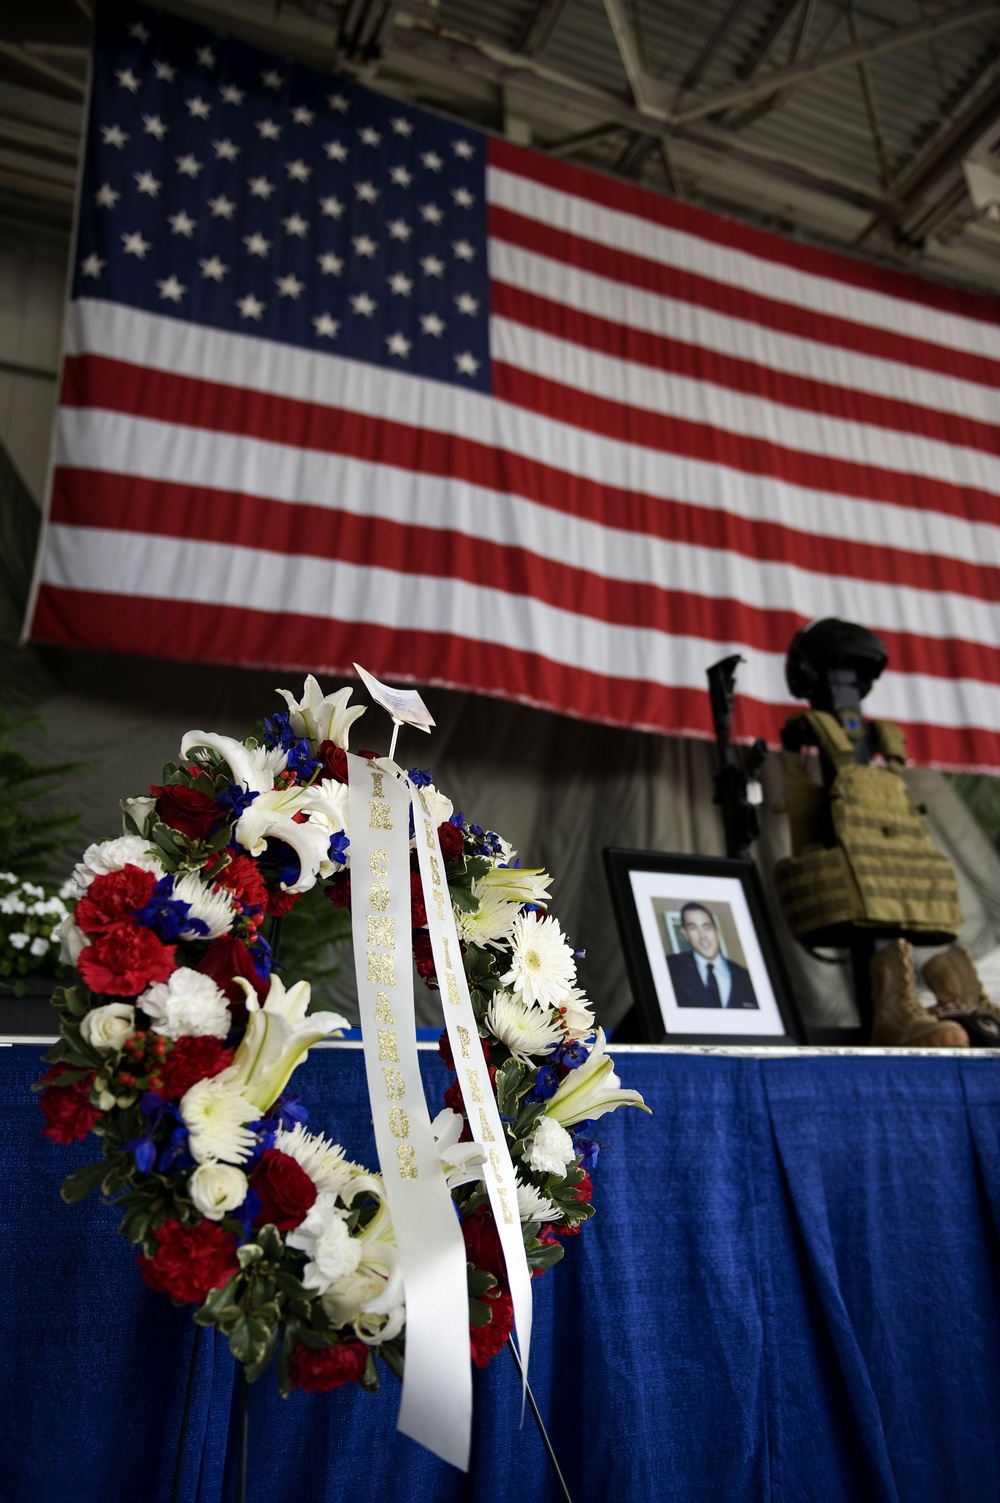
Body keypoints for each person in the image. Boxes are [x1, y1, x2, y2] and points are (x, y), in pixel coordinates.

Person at [666, 902, 758, 1009]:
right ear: (685, 934)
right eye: (693, 928)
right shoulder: (670, 968)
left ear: (717, 932)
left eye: (707, 927)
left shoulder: (746, 977)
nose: (702, 936)